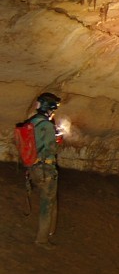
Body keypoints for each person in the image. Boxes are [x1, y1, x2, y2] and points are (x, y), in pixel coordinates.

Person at [26, 92, 63, 249]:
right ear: (50, 108)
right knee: (47, 204)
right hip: (45, 169)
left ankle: (48, 232)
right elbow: (51, 148)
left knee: (45, 200)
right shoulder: (47, 125)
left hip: (33, 168)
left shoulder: (32, 121)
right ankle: (42, 239)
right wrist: (58, 139)